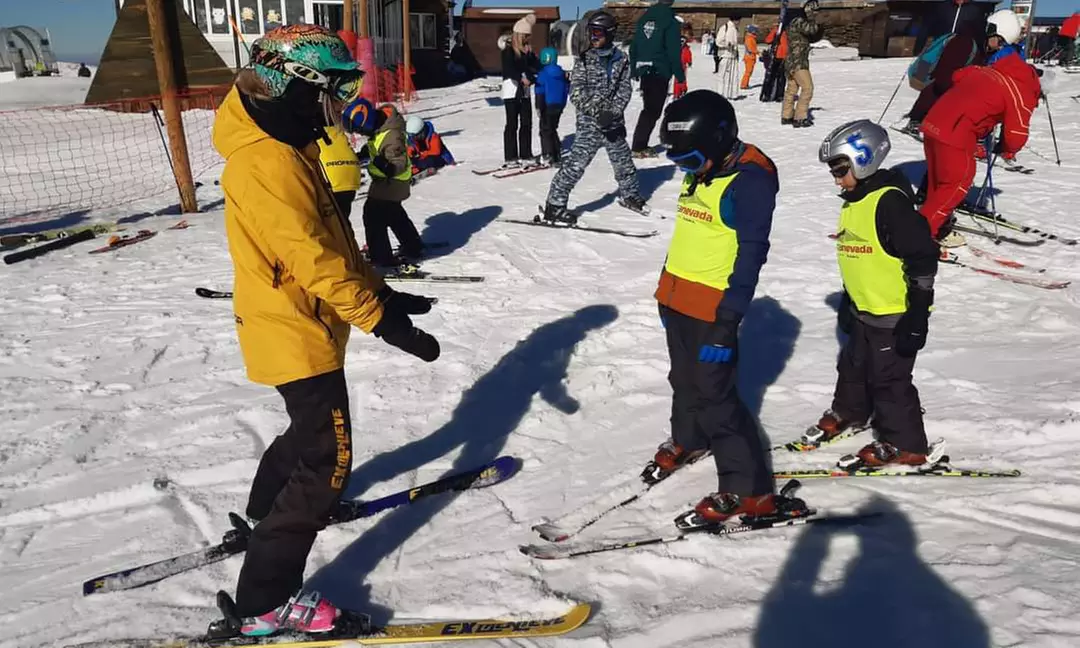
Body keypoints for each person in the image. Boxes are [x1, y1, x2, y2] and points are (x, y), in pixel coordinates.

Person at [209, 24, 439, 639]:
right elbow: (310, 258)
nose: (333, 108)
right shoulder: (266, 161)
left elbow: (334, 242)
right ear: (292, 85)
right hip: (294, 329)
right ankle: (265, 600)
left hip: (302, 323)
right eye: (326, 93)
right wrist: (380, 319)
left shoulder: (288, 142)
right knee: (327, 463)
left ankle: (263, 515)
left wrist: (381, 291)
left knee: (308, 435)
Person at [650, 89, 790, 522]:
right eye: (676, 161)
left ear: (719, 142)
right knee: (684, 379)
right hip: (677, 296)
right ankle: (690, 438)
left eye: (688, 162)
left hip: (713, 308)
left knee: (717, 396)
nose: (683, 170)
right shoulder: (711, 168)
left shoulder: (749, 182)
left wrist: (727, 322)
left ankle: (750, 490)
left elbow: (750, 257)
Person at [812, 120, 938, 469]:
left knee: (891, 380)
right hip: (864, 308)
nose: (836, 178)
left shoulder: (890, 204)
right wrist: (851, 301)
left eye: (840, 169)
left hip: (895, 312)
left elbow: (923, 256)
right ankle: (850, 413)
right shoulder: (856, 199)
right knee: (852, 366)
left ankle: (906, 443)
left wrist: (918, 313)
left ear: (864, 160)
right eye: (833, 170)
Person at [919, 9, 1041, 246]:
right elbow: (1016, 132)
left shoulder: (991, 70)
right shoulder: (1020, 86)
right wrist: (1007, 150)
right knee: (957, 183)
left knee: (939, 182)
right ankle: (921, 238)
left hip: (933, 124)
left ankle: (931, 222)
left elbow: (959, 76)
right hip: (955, 133)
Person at [541, 12, 647, 223]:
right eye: (591, 33)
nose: (593, 37)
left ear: (609, 34)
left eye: (597, 33)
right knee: (575, 166)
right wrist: (599, 113)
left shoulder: (622, 60)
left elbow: (624, 89)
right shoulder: (584, 60)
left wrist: (614, 113)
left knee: (624, 162)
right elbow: (577, 92)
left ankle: (630, 196)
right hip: (590, 125)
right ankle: (554, 205)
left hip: (613, 123)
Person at [343, 101, 426, 267]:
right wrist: (364, 154)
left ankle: (381, 257)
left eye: (360, 130)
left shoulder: (392, 134)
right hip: (389, 183)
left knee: (373, 215)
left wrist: (385, 165)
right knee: (393, 214)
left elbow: (399, 162)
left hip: (392, 182)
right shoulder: (382, 127)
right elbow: (378, 144)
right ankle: (412, 245)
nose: (360, 134)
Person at [902, 20, 986, 137]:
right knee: (934, 91)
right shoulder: (964, 42)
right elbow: (946, 70)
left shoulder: (956, 37)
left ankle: (916, 120)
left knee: (930, 90)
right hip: (938, 77)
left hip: (928, 69)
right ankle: (918, 122)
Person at [629, 0, 684, 157]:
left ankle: (639, 144)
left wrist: (634, 67)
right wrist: (679, 75)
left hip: (644, 68)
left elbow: (634, 46)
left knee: (649, 108)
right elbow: (673, 51)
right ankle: (639, 146)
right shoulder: (670, 21)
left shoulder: (644, 18)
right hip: (660, 68)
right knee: (652, 110)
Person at [500, 14, 539, 168]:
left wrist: (531, 59)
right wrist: (521, 78)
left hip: (525, 92)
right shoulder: (508, 51)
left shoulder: (526, 51)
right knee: (511, 124)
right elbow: (509, 69)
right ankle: (510, 156)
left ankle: (526, 154)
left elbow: (534, 68)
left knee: (526, 123)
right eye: (525, 36)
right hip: (512, 91)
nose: (527, 39)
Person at [782, 0, 823, 127]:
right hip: (798, 62)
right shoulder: (798, 22)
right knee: (808, 88)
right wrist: (811, 15)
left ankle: (787, 116)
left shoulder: (791, 23)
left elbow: (813, 35)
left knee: (791, 90)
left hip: (791, 62)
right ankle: (800, 117)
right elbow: (812, 29)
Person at [317, 123, 363, 219]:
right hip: (350, 177)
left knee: (332, 224)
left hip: (332, 181)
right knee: (342, 221)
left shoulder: (309, 132)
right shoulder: (336, 129)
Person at [535, 46, 570, 166]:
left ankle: (547, 155)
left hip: (547, 104)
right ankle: (556, 155)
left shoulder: (543, 74)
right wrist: (563, 104)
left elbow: (540, 91)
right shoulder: (562, 74)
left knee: (545, 130)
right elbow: (566, 90)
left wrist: (538, 107)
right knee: (552, 128)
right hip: (558, 105)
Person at [715, 18, 740, 97]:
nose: (739, 22)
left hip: (733, 55)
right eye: (738, 20)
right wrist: (727, 44)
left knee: (733, 76)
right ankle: (720, 93)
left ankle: (732, 94)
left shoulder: (735, 29)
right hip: (725, 55)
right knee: (722, 75)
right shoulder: (724, 27)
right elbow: (718, 41)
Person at [741, 25, 759, 90]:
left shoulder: (751, 38)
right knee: (748, 72)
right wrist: (757, 52)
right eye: (756, 30)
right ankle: (743, 85)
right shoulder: (749, 38)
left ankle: (746, 83)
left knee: (749, 72)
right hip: (749, 57)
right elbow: (750, 48)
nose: (757, 32)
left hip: (751, 57)